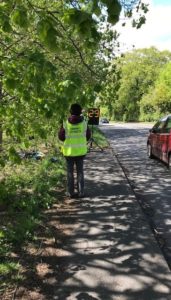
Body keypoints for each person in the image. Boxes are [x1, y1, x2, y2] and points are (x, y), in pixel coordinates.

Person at [58, 103, 91, 198]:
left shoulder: (65, 123)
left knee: (70, 172)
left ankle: (70, 192)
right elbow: (88, 136)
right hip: (80, 152)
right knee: (80, 172)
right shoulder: (84, 123)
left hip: (69, 152)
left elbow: (61, 137)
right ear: (80, 111)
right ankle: (81, 192)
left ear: (70, 111)